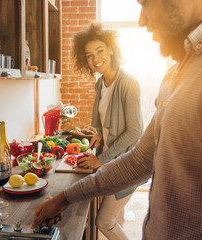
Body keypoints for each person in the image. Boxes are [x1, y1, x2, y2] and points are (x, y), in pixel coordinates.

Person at [32, 0, 202, 239]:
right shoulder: (176, 72)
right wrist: (65, 198)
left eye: (145, 2)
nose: (141, 20)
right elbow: (139, 161)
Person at [71, 23, 143, 239]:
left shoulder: (128, 83)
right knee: (113, 216)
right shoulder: (101, 83)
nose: (95, 59)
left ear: (111, 49)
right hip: (112, 161)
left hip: (128, 164)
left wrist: (101, 159)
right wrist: (99, 135)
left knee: (103, 221)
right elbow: (106, 123)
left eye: (100, 51)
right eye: (89, 55)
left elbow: (135, 131)